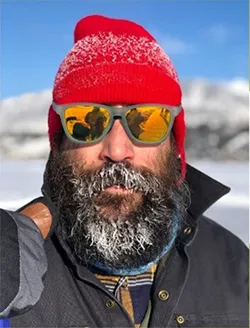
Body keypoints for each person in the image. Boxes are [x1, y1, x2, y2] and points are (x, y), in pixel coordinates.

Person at [0, 14, 248, 328]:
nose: (117, 151)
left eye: (147, 122)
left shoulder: (233, 262)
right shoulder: (13, 272)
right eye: (86, 121)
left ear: (174, 143)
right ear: (59, 142)